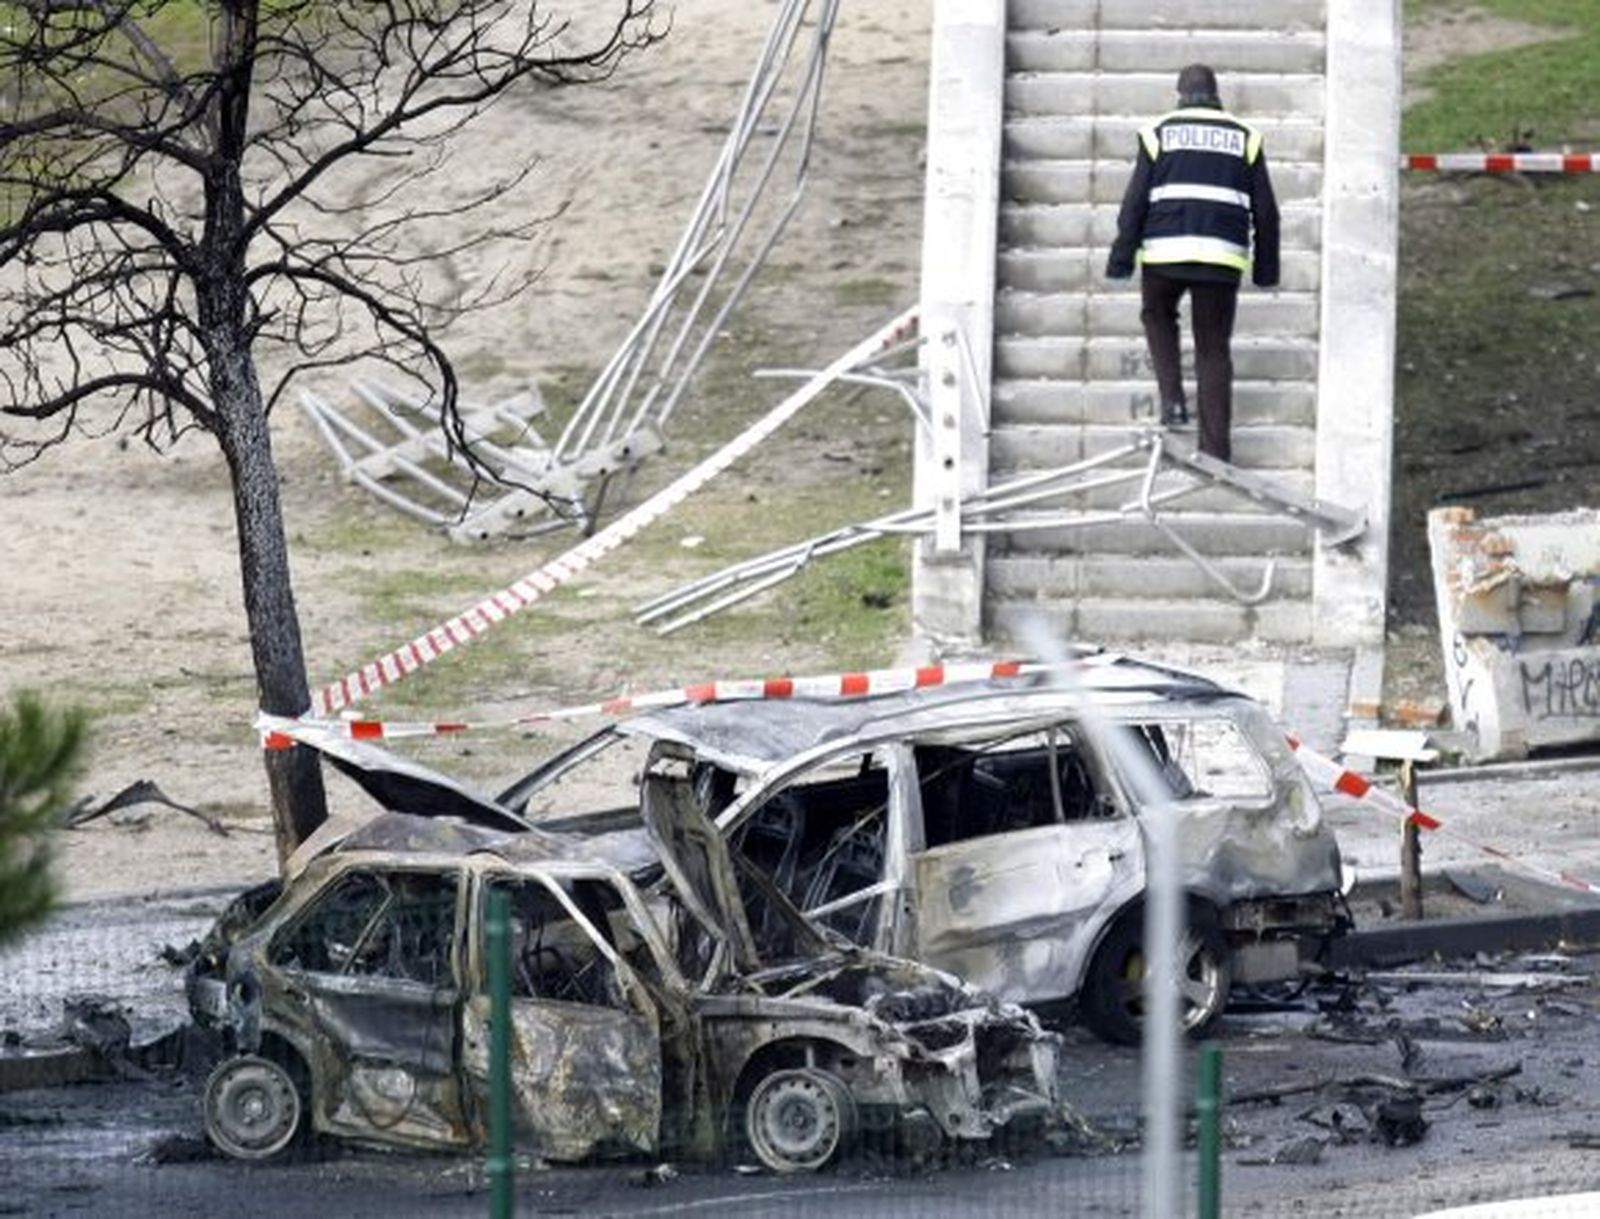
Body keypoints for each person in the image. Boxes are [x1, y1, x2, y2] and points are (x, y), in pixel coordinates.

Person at [1106, 63, 1280, 463]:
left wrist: (1121, 260)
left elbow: (1134, 202)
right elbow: (1267, 212)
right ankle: (1216, 451)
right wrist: (1266, 270)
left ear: (1180, 94)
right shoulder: (1246, 138)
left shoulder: (1158, 134)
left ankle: (1173, 402)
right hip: (1221, 260)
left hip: (1164, 255)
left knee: (1156, 314)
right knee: (1213, 350)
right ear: (1217, 95)